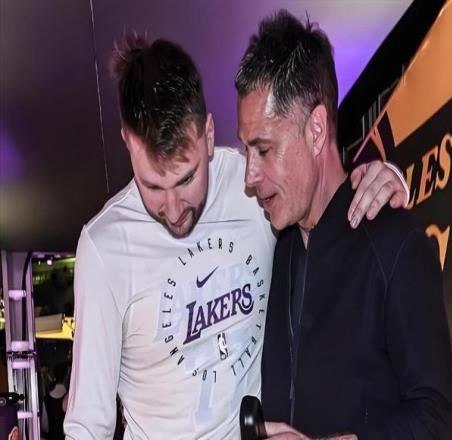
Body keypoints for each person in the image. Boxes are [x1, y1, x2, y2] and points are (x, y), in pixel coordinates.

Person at [64, 35, 407, 439]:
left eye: (186, 179)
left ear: (209, 135)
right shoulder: (105, 247)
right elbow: (88, 425)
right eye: (152, 186)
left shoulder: (252, 190)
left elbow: (321, 203)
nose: (172, 209)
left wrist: (384, 177)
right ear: (126, 142)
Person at [236, 10, 452, 440]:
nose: (249, 175)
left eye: (264, 150)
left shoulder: (395, 243)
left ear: (316, 130)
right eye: (246, 150)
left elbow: (437, 420)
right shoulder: (281, 241)